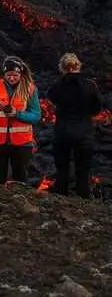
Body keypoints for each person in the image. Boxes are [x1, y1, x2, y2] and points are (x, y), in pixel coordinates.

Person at [46, 52, 102, 199]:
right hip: (84, 133)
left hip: (62, 132)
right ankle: (83, 202)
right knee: (82, 171)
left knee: (62, 169)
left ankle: (61, 200)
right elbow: (96, 109)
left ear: (62, 68)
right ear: (78, 66)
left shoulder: (57, 85)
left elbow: (52, 98)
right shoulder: (90, 85)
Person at [0, 55, 41, 185]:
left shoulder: (30, 89)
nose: (12, 78)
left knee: (20, 181)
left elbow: (36, 116)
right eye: (8, 75)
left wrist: (17, 114)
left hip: (21, 144)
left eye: (15, 75)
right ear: (4, 73)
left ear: (20, 73)